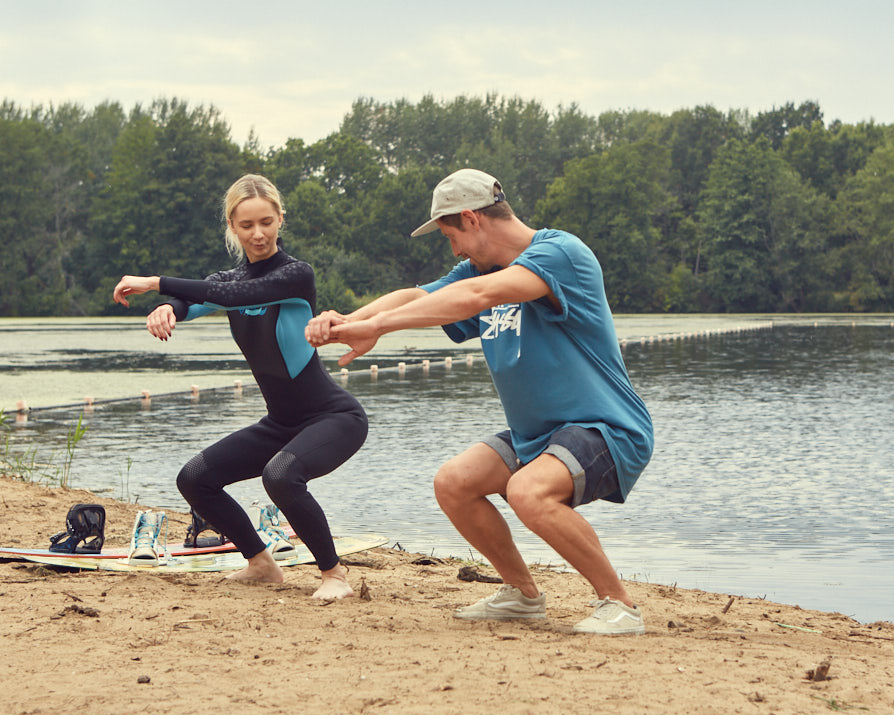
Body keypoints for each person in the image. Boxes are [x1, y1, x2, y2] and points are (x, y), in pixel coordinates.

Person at [305, 168, 653, 634]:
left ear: (471, 218)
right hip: (539, 437)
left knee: (527, 492)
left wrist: (379, 327)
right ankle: (522, 595)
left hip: (608, 428)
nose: (455, 251)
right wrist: (352, 319)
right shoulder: (478, 270)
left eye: (452, 236)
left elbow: (476, 296)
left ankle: (619, 603)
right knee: (454, 483)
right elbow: (419, 294)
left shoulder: (559, 254)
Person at [112, 174, 368, 601]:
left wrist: (154, 282)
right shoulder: (227, 280)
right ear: (232, 226)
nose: (258, 233)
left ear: (280, 220)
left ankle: (334, 575)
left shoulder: (295, 276)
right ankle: (261, 563)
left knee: (281, 475)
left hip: (335, 418)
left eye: (266, 222)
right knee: (195, 479)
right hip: (281, 423)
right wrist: (166, 308)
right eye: (246, 225)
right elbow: (198, 299)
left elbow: (229, 295)